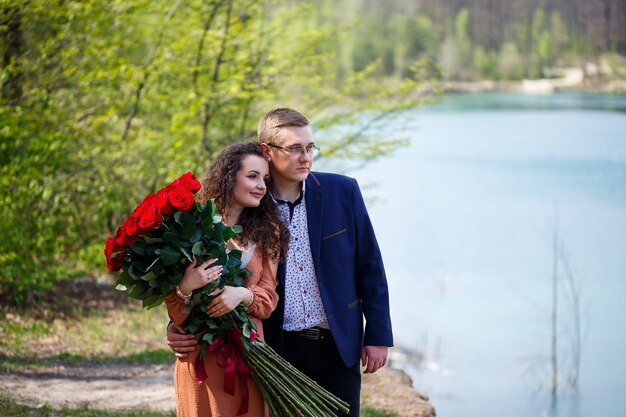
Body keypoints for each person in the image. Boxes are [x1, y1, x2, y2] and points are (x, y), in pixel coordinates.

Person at [168, 109, 393, 417]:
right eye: (294, 148)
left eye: (310, 147)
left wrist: (378, 336)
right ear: (267, 152)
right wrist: (177, 325)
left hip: (338, 344)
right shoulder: (248, 205)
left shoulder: (343, 191)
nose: (306, 157)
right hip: (275, 348)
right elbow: (206, 274)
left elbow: (370, 266)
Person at [165, 141, 289, 417]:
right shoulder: (193, 227)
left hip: (248, 351)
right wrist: (187, 284)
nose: (261, 186)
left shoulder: (268, 232)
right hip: (199, 353)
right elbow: (175, 309)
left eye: (265, 179)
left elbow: (269, 299)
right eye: (253, 176)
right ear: (230, 176)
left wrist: (242, 295)